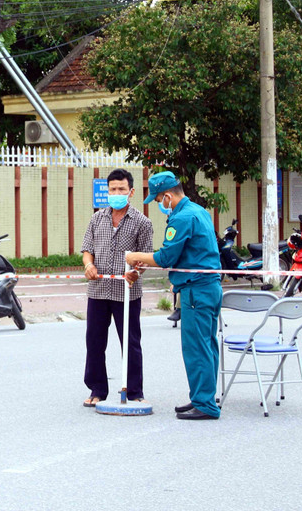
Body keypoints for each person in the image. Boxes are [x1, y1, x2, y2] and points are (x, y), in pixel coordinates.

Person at [126, 171, 222, 420]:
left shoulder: (182, 218)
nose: (160, 205)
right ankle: (203, 397)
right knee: (208, 344)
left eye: (159, 201)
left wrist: (134, 256)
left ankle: (205, 404)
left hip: (196, 291)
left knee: (196, 347)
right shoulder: (199, 211)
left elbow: (166, 257)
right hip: (208, 287)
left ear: (168, 196)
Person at [80, 168, 154, 408]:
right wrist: (89, 264)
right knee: (94, 341)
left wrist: (136, 272)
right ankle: (97, 389)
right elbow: (87, 249)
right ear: (107, 191)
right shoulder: (96, 218)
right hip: (98, 290)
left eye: (121, 189)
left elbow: (145, 257)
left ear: (131, 192)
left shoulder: (142, 223)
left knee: (130, 341)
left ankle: (134, 392)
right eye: (112, 189)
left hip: (127, 292)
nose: (116, 193)